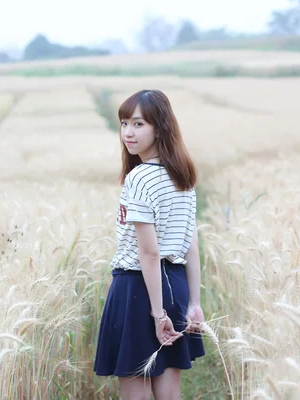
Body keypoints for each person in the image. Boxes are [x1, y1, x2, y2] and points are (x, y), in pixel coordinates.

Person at [93, 89, 206, 400]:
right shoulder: (182, 174)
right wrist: (193, 303)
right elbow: (190, 245)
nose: (128, 133)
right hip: (176, 286)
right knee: (169, 394)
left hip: (139, 290)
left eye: (139, 124)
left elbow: (149, 251)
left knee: (137, 394)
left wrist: (157, 315)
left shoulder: (140, 178)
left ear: (160, 127)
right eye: (124, 123)